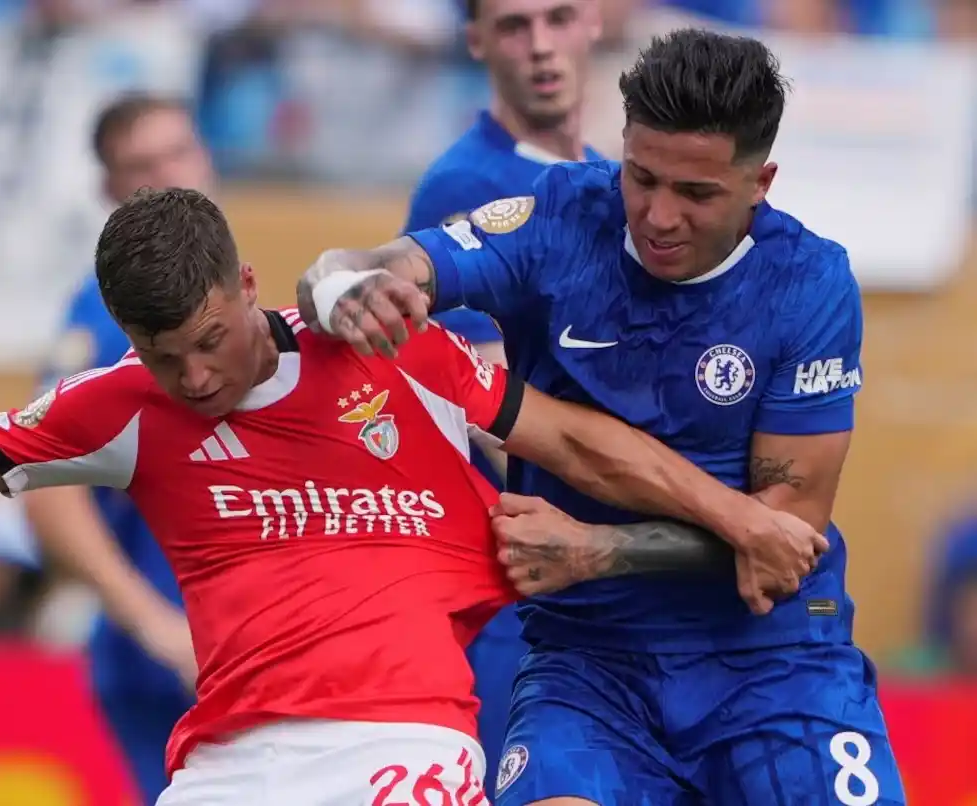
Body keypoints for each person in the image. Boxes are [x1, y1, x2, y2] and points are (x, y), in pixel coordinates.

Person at [0, 187, 826, 804]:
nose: (189, 375)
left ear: (247, 287)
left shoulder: (391, 353)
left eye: (208, 338)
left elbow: (578, 445)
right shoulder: (118, 407)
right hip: (227, 765)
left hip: (402, 745)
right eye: (159, 351)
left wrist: (740, 516)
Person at [296, 28, 907, 806]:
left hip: (771, 659)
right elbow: (372, 264)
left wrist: (597, 549)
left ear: (760, 182)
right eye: (640, 176)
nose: (656, 215)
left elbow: (782, 534)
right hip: (589, 663)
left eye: (695, 194)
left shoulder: (808, 285)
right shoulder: (560, 217)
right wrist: (338, 283)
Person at [401, 0, 608, 790]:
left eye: (557, 18)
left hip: (593, 571)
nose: (540, 46)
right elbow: (489, 410)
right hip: (516, 587)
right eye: (515, 26)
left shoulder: (604, 178)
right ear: (477, 41)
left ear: (592, 20)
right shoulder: (468, 186)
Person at [22, 93, 216, 805]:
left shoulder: (226, 300)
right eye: (142, 166)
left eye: (179, 153)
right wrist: (155, 626)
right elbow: (46, 489)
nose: (169, 178)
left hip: (247, 646)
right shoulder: (106, 326)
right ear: (108, 190)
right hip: (171, 662)